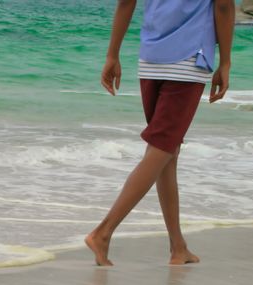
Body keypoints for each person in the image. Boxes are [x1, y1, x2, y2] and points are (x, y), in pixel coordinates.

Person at [85, 0, 234, 266]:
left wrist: (112, 54)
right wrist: (226, 62)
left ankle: (178, 247)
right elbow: (223, 5)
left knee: (166, 152)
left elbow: (125, 2)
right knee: (162, 149)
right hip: (189, 61)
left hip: (150, 58)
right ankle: (103, 233)